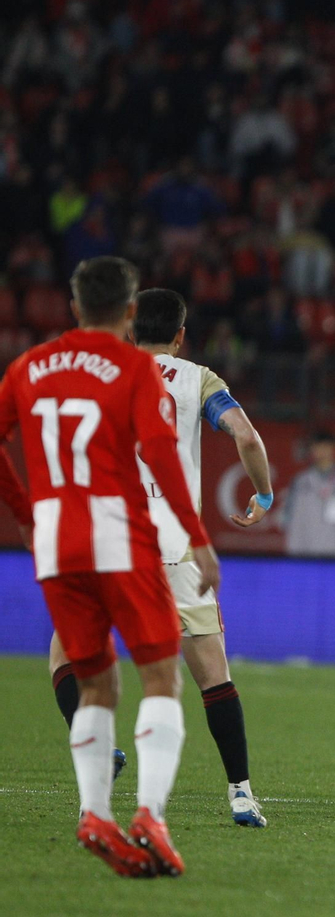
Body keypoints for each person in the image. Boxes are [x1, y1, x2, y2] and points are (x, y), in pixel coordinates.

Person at [0, 256, 220, 877]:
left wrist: (23, 510)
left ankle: (95, 813)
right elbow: (160, 453)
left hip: (56, 543)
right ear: (128, 314)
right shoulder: (132, 367)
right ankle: (150, 812)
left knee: (93, 678)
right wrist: (198, 536)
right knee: (159, 677)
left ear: (72, 307)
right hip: (120, 538)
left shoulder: (27, 367)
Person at [46, 289, 274, 828]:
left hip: (107, 545)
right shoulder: (197, 379)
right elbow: (245, 435)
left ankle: (98, 757)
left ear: (129, 330)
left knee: (64, 657)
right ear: (179, 335)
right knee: (212, 675)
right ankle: (240, 793)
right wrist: (262, 494)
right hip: (176, 548)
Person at [283, 429, 335, 557]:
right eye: (318, 447)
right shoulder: (300, 481)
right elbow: (287, 517)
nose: (322, 452)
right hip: (301, 552)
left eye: (326, 447)